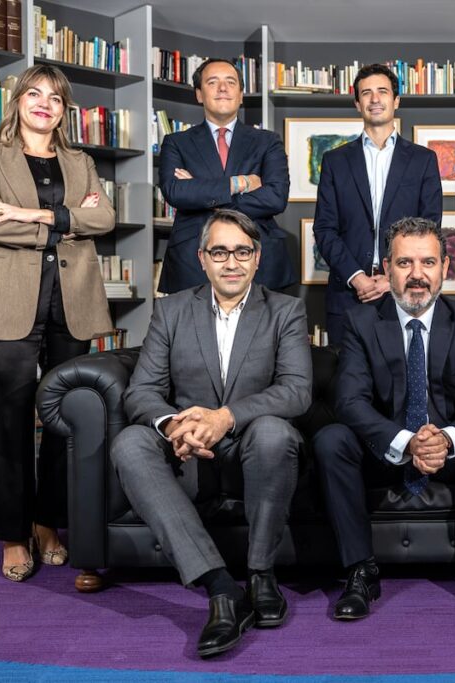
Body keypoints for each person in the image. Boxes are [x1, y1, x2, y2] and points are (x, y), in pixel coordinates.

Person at [110, 209, 311, 658]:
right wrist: (175, 426)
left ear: (257, 258)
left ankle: (261, 575)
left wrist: (225, 417)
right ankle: (221, 587)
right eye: (220, 252)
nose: (231, 262)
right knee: (130, 443)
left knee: (275, 432)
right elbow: (142, 391)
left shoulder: (285, 311)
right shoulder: (172, 310)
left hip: (254, 453)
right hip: (189, 456)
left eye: (242, 251)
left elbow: (296, 391)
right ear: (202, 259)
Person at [314, 217, 455, 621]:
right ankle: (360, 571)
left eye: (428, 262)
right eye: (404, 263)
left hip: (452, 455)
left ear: (445, 268)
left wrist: (444, 440)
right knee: (331, 439)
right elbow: (350, 401)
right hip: (386, 454)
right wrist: (407, 442)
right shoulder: (361, 322)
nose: (417, 275)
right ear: (387, 268)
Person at [0, 64, 115, 582]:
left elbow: (105, 219)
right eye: (34, 94)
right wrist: (70, 220)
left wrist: (31, 214)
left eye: (54, 98)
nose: (43, 104)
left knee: (65, 418)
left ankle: (47, 523)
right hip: (10, 302)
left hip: (72, 301)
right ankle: (14, 534)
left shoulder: (80, 160)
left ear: (63, 110)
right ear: (18, 101)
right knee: (12, 421)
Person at [313, 63, 442, 345]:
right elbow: (324, 229)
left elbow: (429, 229)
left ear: (396, 101)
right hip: (348, 293)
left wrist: (391, 278)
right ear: (357, 104)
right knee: (346, 371)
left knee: (402, 370)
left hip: (404, 291)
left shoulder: (423, 160)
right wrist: (357, 276)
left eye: (382, 91)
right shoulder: (335, 161)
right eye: (366, 93)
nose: (374, 99)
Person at [157, 58, 294, 294]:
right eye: (212, 82)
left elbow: (275, 197)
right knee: (193, 320)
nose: (222, 88)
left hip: (259, 255)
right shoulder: (176, 142)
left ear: (240, 95)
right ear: (199, 94)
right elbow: (176, 192)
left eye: (230, 82)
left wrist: (200, 190)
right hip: (192, 259)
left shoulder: (268, 141)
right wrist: (239, 183)